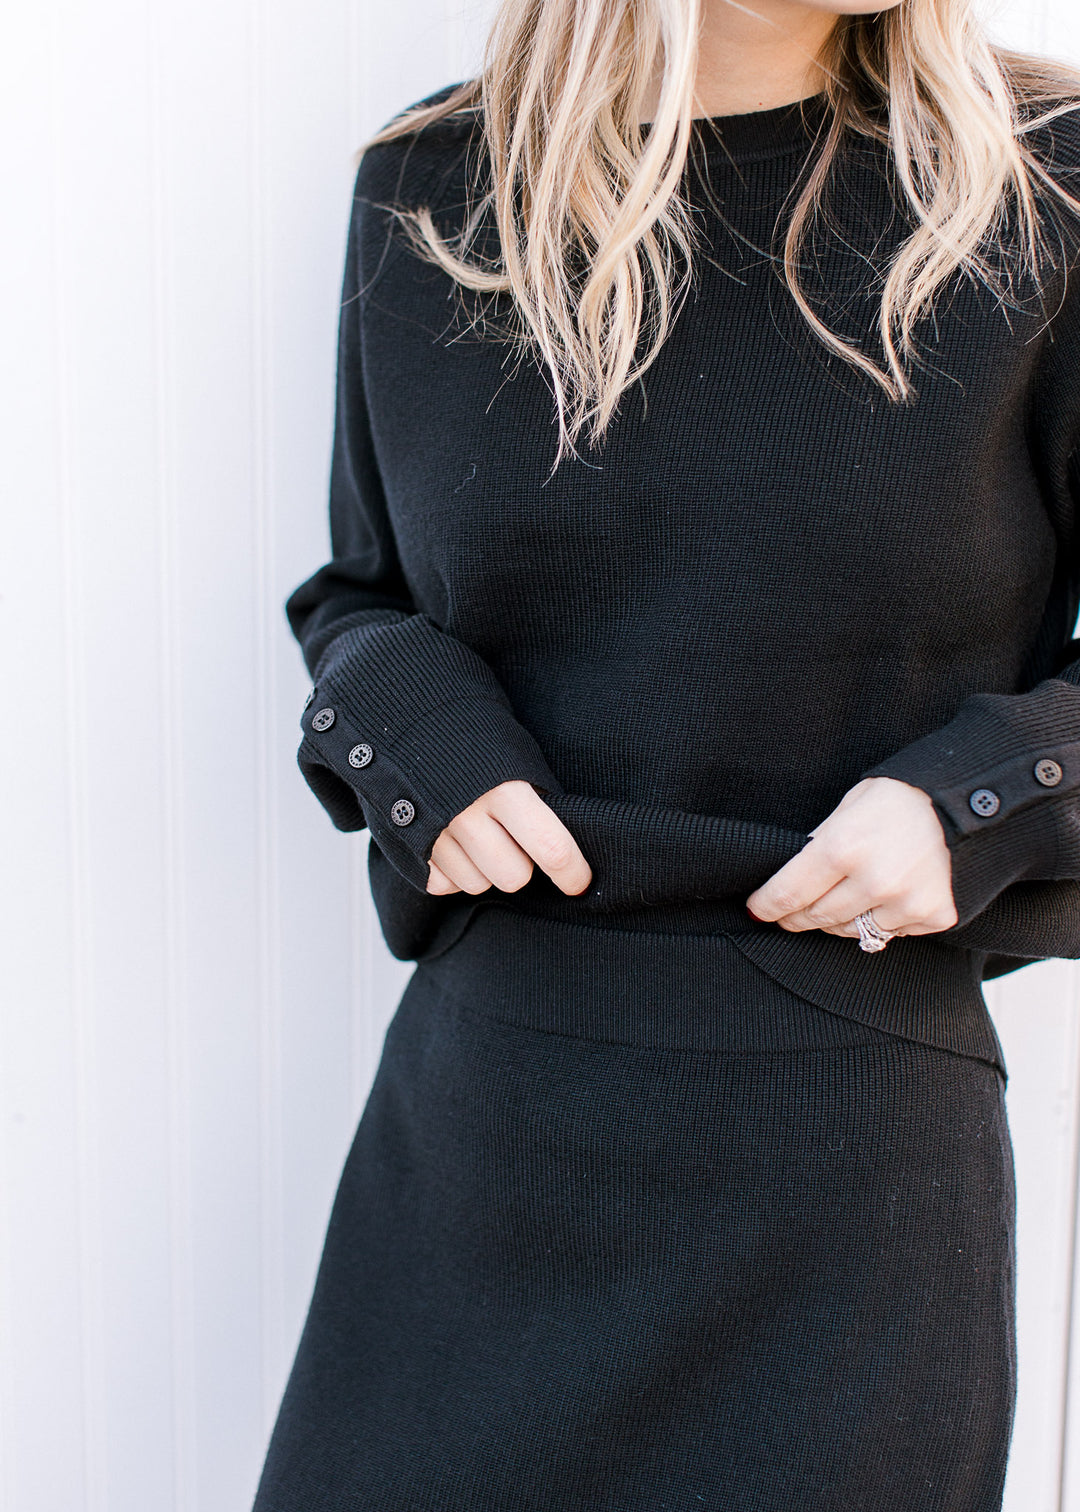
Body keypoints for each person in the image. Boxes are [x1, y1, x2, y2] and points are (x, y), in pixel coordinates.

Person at [252, 0, 1080, 1506]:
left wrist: (977, 795)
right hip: (496, 1124)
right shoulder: (436, 186)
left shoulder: (1043, 181)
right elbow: (362, 598)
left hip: (847, 1140)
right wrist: (416, 733)